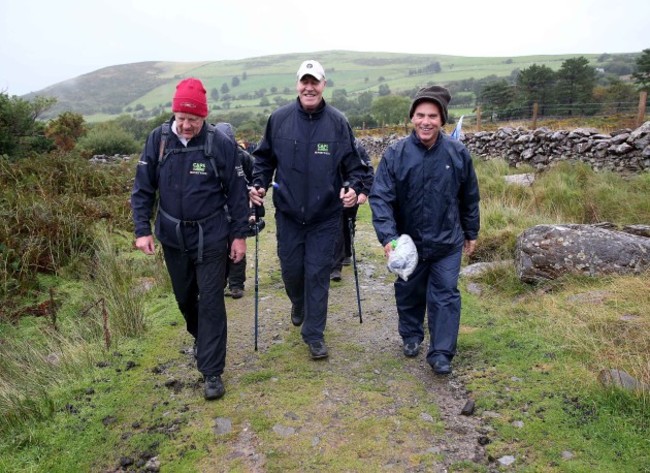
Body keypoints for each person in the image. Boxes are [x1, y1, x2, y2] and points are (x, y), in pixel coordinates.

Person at [131, 78, 250, 400]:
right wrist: (142, 229)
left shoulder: (218, 144)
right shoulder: (158, 140)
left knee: (211, 301)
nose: (185, 126)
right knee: (186, 299)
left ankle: (212, 371)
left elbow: (238, 192)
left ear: (203, 118)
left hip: (212, 236)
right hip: (172, 237)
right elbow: (143, 188)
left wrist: (238, 236)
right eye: (181, 119)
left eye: (193, 120)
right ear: (173, 114)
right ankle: (201, 337)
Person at [249, 59, 371, 360]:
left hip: (325, 216)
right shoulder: (278, 120)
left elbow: (355, 167)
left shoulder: (338, 123)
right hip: (289, 214)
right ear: (297, 85)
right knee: (292, 271)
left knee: (317, 273)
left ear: (323, 85)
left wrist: (353, 188)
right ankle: (298, 303)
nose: (309, 87)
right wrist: (260, 183)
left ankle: (314, 334)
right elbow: (263, 160)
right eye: (304, 82)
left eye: (314, 82)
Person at [369, 85, 480, 375]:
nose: (426, 121)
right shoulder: (396, 154)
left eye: (432, 115)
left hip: (447, 242)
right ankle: (411, 335)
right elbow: (380, 197)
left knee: (445, 295)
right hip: (408, 242)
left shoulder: (457, 153)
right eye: (420, 115)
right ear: (412, 117)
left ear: (442, 119)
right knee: (409, 290)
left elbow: (469, 196)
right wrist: (389, 237)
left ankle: (441, 353)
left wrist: (472, 232)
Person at [331, 139, 374, 281]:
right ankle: (335, 267)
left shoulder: (356, 147)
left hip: (353, 190)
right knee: (336, 226)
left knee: (348, 224)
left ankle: (347, 252)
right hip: (333, 193)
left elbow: (368, 170)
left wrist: (364, 192)